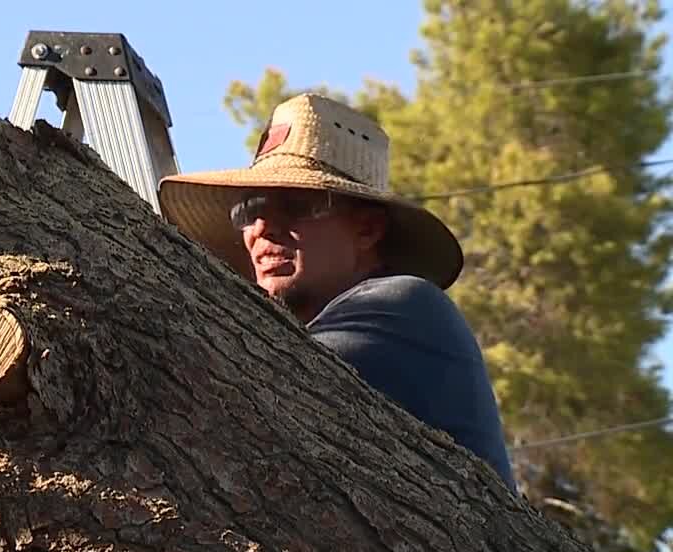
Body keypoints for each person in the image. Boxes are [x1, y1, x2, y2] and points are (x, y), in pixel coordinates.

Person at [157, 93, 516, 490]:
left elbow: (257, 384)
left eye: (295, 206)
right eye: (249, 211)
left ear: (367, 230)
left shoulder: (404, 305)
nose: (261, 230)